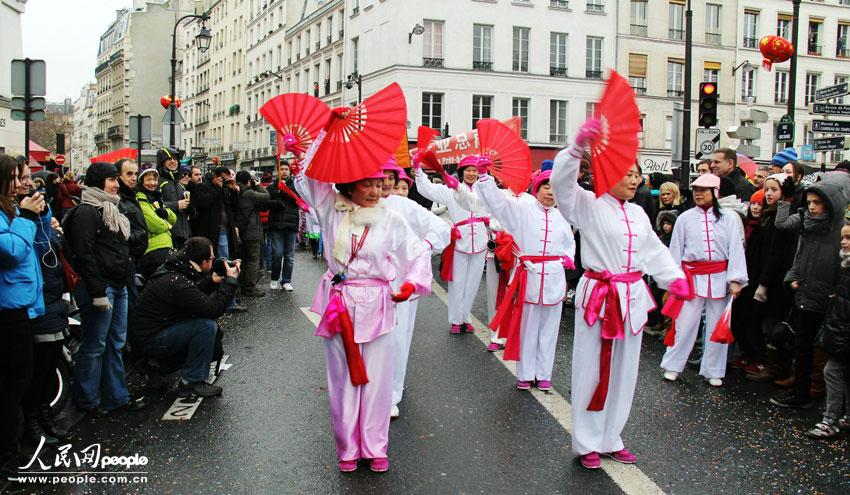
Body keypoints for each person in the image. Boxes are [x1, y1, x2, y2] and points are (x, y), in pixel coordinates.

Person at [551, 120, 686, 469]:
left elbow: (654, 251)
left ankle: (612, 437)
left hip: (632, 298)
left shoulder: (640, 213)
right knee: (591, 368)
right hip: (599, 296)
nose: (634, 178)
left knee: (626, 371)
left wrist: (674, 279)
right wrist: (576, 147)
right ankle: (586, 442)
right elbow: (561, 186)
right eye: (626, 172)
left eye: (637, 173)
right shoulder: (587, 203)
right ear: (608, 174)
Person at [293, 156, 432, 474]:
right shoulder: (331, 209)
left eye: (379, 182)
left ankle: (374, 446)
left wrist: (411, 283)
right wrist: (318, 140)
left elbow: (417, 252)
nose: (375, 189)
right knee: (343, 380)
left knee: (377, 380)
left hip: (380, 303)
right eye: (366, 183)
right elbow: (311, 176)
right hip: (341, 303)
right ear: (349, 185)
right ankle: (348, 448)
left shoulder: (392, 219)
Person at [476, 162, 575, 391]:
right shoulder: (522, 211)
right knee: (528, 328)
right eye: (546, 187)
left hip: (554, 278)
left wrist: (568, 258)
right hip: (529, 276)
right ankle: (525, 373)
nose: (550, 192)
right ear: (537, 189)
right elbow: (498, 204)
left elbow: (569, 244)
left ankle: (543, 374)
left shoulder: (563, 218)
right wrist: (485, 177)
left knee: (549, 331)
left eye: (555, 188)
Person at [64, 162, 144, 415]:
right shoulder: (86, 212)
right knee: (95, 344)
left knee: (115, 343)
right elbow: (84, 255)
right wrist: (97, 292)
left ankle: (116, 397)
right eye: (112, 180)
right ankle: (88, 401)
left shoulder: (112, 209)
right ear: (98, 182)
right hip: (99, 288)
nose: (116, 184)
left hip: (117, 283)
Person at [661, 174, 748, 387]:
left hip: (719, 277)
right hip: (691, 277)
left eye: (704, 189)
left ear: (715, 193)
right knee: (684, 323)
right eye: (696, 189)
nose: (698, 193)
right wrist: (673, 280)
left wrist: (735, 279)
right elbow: (676, 250)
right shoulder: (685, 218)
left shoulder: (729, 218)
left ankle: (713, 370)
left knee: (717, 325)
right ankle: (672, 366)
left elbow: (735, 249)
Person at [380, 158, 449, 419]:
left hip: (402, 283)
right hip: (367, 284)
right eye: (381, 175)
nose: (385, 182)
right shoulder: (358, 204)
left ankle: (391, 394)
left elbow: (441, 227)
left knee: (398, 338)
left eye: (390, 176)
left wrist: (425, 246)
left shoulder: (404, 206)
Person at [129, 237, 239, 397]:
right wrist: (230, 282)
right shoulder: (177, 282)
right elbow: (211, 309)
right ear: (203, 262)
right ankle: (191, 382)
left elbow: (192, 292)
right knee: (206, 327)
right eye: (212, 258)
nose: (214, 261)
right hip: (151, 341)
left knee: (205, 327)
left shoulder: (174, 268)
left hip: (150, 333)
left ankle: (158, 366)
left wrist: (213, 281)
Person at [771, 178, 847, 408]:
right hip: (806, 295)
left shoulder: (841, 229)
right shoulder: (807, 225)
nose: (812, 207)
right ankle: (801, 393)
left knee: (831, 353)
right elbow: (800, 256)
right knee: (802, 347)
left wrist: (836, 292)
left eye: (817, 202)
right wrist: (792, 278)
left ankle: (834, 405)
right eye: (810, 202)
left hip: (831, 300)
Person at [0, 154, 51, 477]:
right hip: (7, 312)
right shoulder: (12, 216)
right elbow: (11, 252)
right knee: (11, 384)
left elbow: (38, 245)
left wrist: (40, 216)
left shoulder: (13, 211)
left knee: (21, 381)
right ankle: (7, 452)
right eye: (17, 177)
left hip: (21, 306)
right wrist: (27, 219)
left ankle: (13, 444)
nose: (23, 183)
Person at [414, 156, 490, 334]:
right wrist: (418, 170)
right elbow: (428, 189)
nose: (472, 173)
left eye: (474, 170)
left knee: (473, 283)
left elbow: (498, 209)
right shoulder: (451, 188)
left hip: (480, 241)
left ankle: (466, 317)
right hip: (459, 241)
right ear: (462, 171)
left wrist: (490, 222)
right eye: (468, 170)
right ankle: (456, 320)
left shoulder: (486, 190)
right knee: (458, 282)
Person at [744, 174, 798, 382]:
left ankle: (777, 368)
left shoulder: (782, 217)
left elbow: (777, 254)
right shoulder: (768, 215)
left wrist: (764, 284)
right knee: (764, 323)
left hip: (776, 282)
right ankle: (769, 364)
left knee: (774, 325)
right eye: (767, 189)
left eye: (773, 190)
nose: (768, 194)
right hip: (766, 278)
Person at [22, 216, 70, 446]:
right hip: (36, 306)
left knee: (49, 368)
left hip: (53, 303)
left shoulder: (45, 231)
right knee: (37, 371)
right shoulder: (21, 225)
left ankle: (45, 418)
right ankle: (32, 425)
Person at [805, 222, 850, 438]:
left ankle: (830, 420)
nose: (843, 242)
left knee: (832, 371)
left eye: (849, 238)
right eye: (843, 237)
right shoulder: (845, 266)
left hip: (844, 333)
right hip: (841, 330)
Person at [115, 158, 148, 309]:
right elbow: (121, 232)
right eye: (129, 174)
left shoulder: (132, 195)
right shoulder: (118, 199)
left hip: (134, 257)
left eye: (135, 173)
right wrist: (139, 236)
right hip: (125, 258)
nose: (134, 178)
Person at [189, 166, 239, 258]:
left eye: (226, 178)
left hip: (227, 228)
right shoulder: (203, 186)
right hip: (213, 229)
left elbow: (234, 207)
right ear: (215, 176)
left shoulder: (226, 188)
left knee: (229, 255)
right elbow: (204, 202)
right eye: (222, 177)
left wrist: (234, 190)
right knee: (222, 257)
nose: (223, 180)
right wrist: (218, 188)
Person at [233, 170, 269, 297]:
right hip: (251, 231)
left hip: (240, 229)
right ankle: (250, 287)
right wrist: (258, 185)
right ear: (248, 181)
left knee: (244, 259)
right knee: (253, 259)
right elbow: (266, 196)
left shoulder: (235, 190)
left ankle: (241, 284)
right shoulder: (248, 193)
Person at [136, 167, 177, 279]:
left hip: (165, 247)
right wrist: (167, 224)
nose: (152, 183)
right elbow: (155, 225)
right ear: (141, 181)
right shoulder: (140, 198)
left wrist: (165, 213)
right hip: (153, 251)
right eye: (148, 180)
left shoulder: (156, 197)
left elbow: (174, 218)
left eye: (154, 180)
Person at [267, 161, 302, 291]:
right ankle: (275, 278)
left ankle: (286, 280)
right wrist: (276, 200)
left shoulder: (296, 185)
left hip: (291, 224)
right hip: (276, 224)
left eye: (286, 169)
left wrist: (284, 190)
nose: (284, 171)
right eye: (282, 169)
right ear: (278, 171)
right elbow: (266, 202)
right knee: (277, 254)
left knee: (289, 256)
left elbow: (298, 199)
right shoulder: (272, 186)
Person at [156, 148, 191, 249]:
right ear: (162, 162)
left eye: (175, 159)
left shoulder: (179, 184)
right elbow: (154, 206)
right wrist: (176, 204)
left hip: (184, 234)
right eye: (169, 159)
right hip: (168, 234)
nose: (173, 161)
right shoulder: (158, 182)